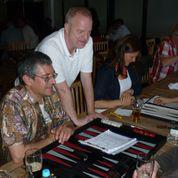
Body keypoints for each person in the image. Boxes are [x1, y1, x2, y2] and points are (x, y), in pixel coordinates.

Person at [0, 52, 75, 164]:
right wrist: (52, 139)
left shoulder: (51, 94)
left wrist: (67, 128)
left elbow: (67, 122)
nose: (53, 81)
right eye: (46, 78)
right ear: (28, 80)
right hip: (20, 167)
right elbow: (18, 156)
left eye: (53, 75)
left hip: (50, 154)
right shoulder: (11, 104)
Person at [36, 7, 104, 126]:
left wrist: (91, 112)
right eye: (80, 31)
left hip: (56, 100)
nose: (85, 38)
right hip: (33, 101)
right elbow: (62, 89)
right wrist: (76, 121)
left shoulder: (87, 42)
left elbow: (86, 79)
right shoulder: (50, 48)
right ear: (67, 27)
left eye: (89, 32)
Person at [94, 35, 141, 109]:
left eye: (136, 57)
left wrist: (129, 92)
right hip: (105, 112)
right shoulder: (106, 71)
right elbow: (95, 103)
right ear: (122, 53)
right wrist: (121, 102)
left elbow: (138, 88)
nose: (134, 60)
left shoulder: (130, 68)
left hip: (122, 109)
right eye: (131, 57)